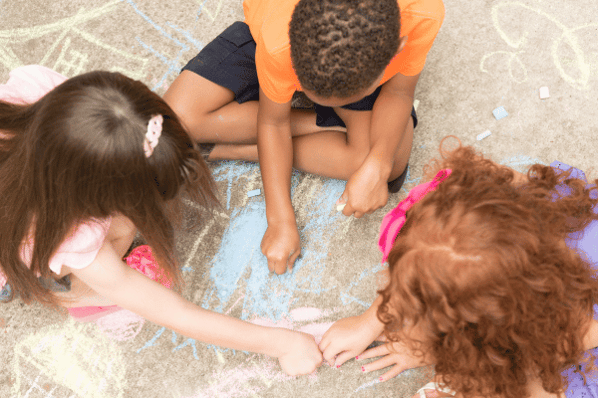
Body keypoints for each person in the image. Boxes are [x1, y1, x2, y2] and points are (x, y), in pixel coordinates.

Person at [0, 65, 322, 376]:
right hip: (19, 247)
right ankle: (81, 296)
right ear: (92, 194)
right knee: (113, 248)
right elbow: (172, 311)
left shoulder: (35, 88)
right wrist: (283, 344)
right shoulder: (70, 235)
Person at [163, 0, 445, 274]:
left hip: (338, 56)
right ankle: (327, 129)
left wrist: (378, 164)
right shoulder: (280, 41)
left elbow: (398, 92)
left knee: (391, 164)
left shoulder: (421, 12)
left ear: (396, 50)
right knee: (177, 118)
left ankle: (235, 150)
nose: (297, 95)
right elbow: (274, 122)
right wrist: (279, 219)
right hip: (278, 40)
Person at [319, 140, 598, 397]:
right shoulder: (503, 196)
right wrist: (370, 321)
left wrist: (450, 362)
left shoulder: (565, 331)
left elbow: (526, 363)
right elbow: (427, 263)